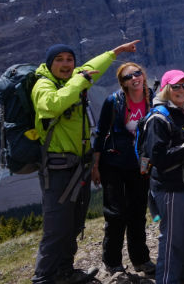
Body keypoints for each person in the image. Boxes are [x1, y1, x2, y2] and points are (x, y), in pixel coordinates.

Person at [31, 40, 139, 284]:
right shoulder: (43, 85)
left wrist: (116, 52)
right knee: (56, 226)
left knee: (74, 221)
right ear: (50, 64)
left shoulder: (70, 79)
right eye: (59, 60)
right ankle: (43, 277)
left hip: (79, 165)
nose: (66, 64)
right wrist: (79, 81)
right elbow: (51, 106)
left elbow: (92, 66)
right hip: (57, 167)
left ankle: (65, 271)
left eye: (69, 59)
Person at [143, 70, 184, 284]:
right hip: (169, 186)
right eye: (175, 86)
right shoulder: (158, 118)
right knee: (172, 236)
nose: (181, 90)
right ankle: (167, 278)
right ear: (166, 89)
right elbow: (159, 158)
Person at [92, 61, 155, 278]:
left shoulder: (153, 98)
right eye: (128, 77)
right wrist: (96, 165)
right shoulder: (113, 101)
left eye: (137, 73)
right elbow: (100, 133)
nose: (134, 78)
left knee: (138, 212)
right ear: (123, 83)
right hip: (114, 164)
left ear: (143, 74)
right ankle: (112, 261)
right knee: (116, 213)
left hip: (141, 164)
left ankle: (140, 259)